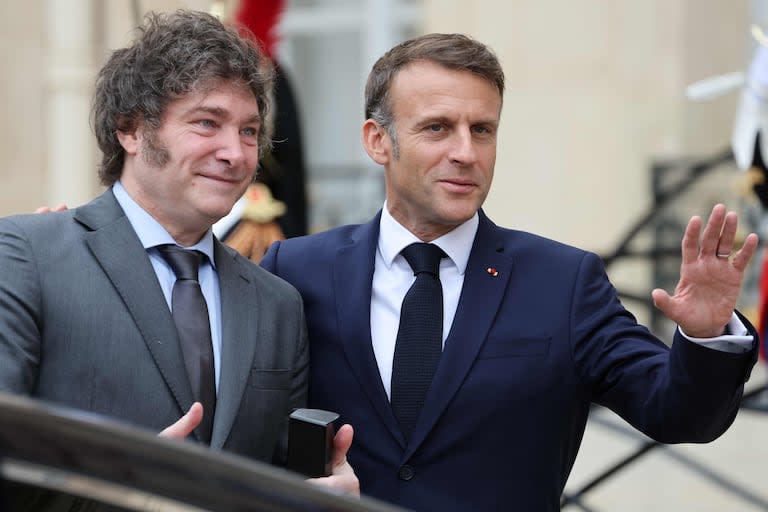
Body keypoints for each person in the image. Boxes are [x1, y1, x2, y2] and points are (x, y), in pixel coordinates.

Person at [260, 33, 761, 511]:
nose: (466, 153)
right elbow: (248, 431)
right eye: (437, 127)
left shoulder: (564, 283)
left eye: (482, 130)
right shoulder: (298, 270)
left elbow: (679, 414)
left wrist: (705, 336)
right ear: (377, 141)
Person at [0, 9, 356, 506]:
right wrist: (108, 490)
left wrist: (321, 494)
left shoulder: (278, 305)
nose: (236, 152)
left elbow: (277, 477)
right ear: (130, 129)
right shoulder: (26, 256)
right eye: (208, 123)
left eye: (250, 131)